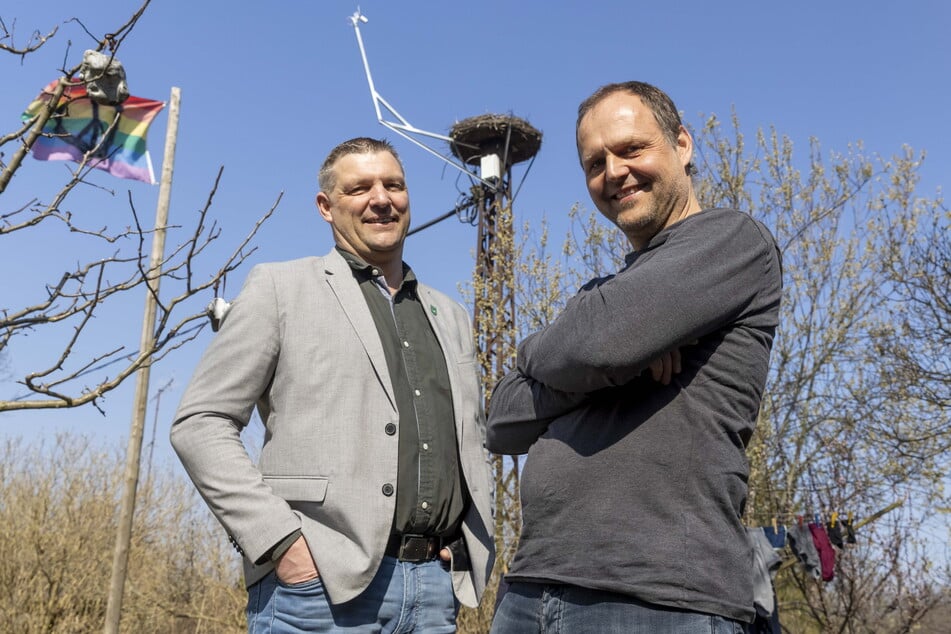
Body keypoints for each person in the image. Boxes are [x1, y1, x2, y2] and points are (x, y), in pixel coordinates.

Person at [486, 81, 783, 632]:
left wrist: (572, 352)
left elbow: (601, 342)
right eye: (594, 162)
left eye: (631, 149)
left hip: (659, 598)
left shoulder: (732, 242)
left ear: (682, 145)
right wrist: (600, 364)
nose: (614, 172)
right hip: (531, 589)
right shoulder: (603, 294)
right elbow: (501, 421)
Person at [171, 137, 495, 633]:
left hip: (434, 592)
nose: (381, 198)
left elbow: (469, 442)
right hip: (317, 591)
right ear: (326, 206)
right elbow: (200, 423)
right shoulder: (280, 288)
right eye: (359, 188)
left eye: (393, 184)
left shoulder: (449, 315)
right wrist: (281, 543)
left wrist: (461, 542)